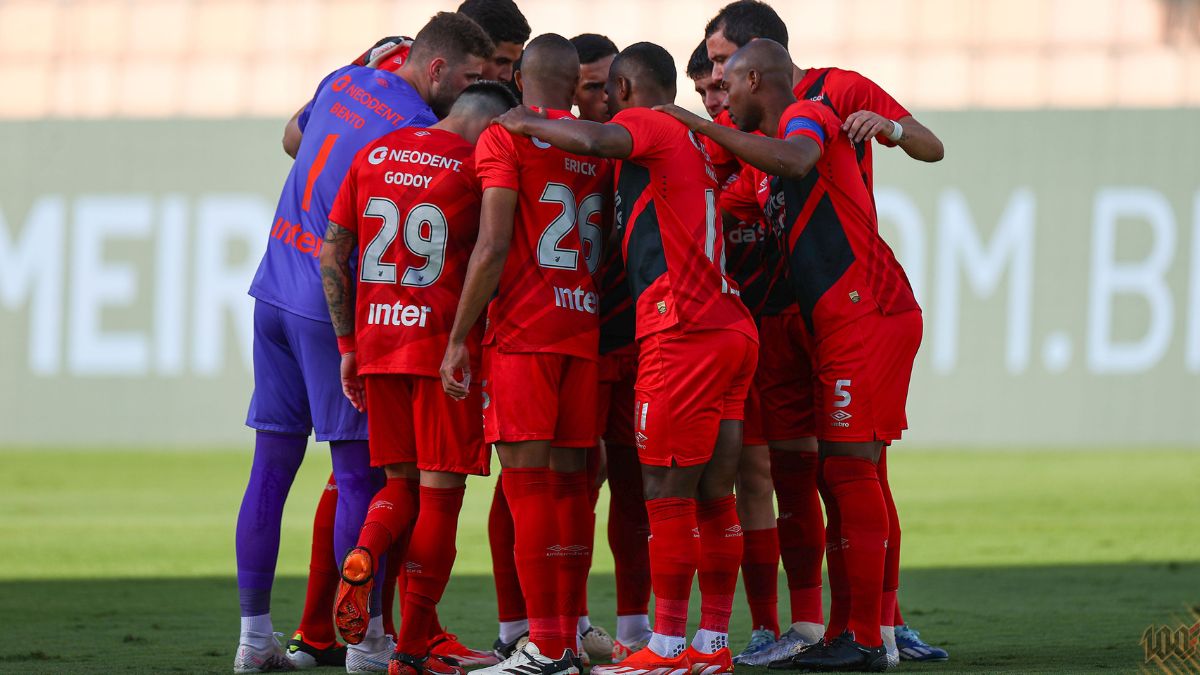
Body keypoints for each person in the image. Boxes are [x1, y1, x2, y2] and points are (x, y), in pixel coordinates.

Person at [234, 12, 493, 674]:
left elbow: (292, 136)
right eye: (468, 79)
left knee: (270, 468)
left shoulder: (345, 78)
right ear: (437, 69)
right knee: (361, 476)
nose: (472, 93)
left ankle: (253, 639)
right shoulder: (415, 132)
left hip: (272, 288)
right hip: (329, 309)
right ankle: (366, 640)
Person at [657, 38, 923, 672]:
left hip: (866, 311)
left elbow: (799, 160)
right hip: (833, 322)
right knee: (836, 473)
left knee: (852, 472)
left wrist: (691, 123)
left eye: (727, 84)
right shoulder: (758, 161)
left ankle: (867, 637)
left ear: (754, 80)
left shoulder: (807, 115)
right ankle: (847, 631)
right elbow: (724, 202)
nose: (719, 98)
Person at [494, 41, 759, 675]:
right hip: (730, 325)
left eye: (609, 96)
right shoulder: (694, 141)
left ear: (625, 91)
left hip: (682, 327)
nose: (606, 107)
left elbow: (594, 143)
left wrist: (525, 119)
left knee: (664, 489)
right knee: (714, 494)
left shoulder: (645, 122)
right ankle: (712, 645)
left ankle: (665, 648)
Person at [322, 81, 519, 675]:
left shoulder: (373, 153)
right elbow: (492, 247)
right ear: (489, 126)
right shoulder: (477, 165)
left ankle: (366, 549)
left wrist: (348, 346)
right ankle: (410, 652)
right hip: (440, 351)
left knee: (398, 486)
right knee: (440, 498)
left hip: (377, 343)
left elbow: (333, 254)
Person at [440, 33, 611, 675]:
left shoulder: (506, 136)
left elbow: (491, 243)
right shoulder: (597, 147)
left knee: (526, 484)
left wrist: (459, 338)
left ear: (520, 83)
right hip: (582, 331)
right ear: (574, 85)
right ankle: (566, 637)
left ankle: (543, 644)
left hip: (525, 332)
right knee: (572, 489)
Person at [687, 40, 787, 667]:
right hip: (720, 331)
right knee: (725, 479)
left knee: (778, 476)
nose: (714, 102)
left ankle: (865, 622)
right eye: (702, 95)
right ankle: (750, 628)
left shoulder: (764, 145)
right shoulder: (700, 150)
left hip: (770, 324)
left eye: (719, 90)